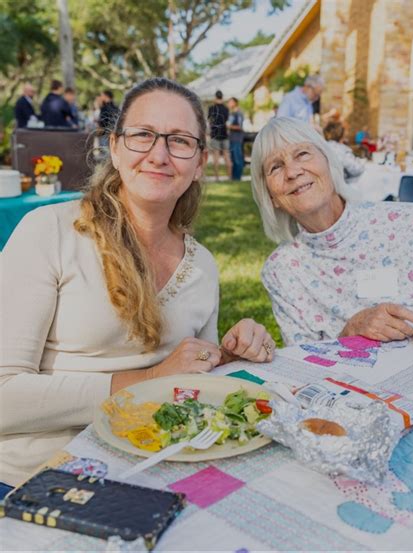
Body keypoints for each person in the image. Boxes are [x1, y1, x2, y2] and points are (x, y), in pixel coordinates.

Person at [0, 77, 276, 488]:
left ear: (200, 162)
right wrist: (148, 382)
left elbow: (192, 377)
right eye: (143, 135)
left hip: (157, 469)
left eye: (180, 140)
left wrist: (230, 353)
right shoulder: (50, 232)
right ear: (114, 146)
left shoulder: (203, 265)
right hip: (41, 477)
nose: (159, 154)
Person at [250, 117, 413, 345]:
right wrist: (347, 336)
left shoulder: (412, 221)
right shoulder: (283, 271)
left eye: (302, 154)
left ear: (328, 162)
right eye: (275, 167)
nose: (292, 172)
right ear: (270, 197)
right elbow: (305, 365)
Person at [208, 90, 231, 180]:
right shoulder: (226, 109)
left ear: (215, 97)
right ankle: (230, 177)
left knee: (216, 157)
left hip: (214, 134)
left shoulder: (211, 108)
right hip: (224, 134)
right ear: (222, 97)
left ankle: (217, 177)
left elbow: (210, 121)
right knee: (227, 156)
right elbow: (226, 120)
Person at [227, 97, 245, 181]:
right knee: (233, 158)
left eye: (230, 102)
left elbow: (240, 126)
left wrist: (229, 126)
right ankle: (234, 178)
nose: (228, 104)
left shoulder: (238, 113)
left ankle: (238, 177)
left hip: (237, 139)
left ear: (235, 103)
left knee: (238, 158)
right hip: (232, 138)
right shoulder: (232, 113)